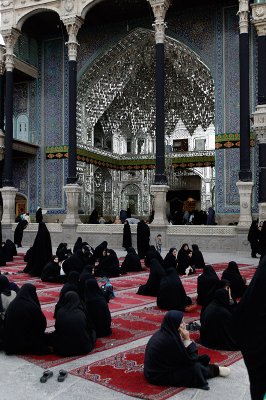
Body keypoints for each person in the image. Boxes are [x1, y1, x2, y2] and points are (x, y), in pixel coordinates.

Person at [144, 310, 230, 390]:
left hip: (157, 370)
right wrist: (187, 339)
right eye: (181, 322)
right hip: (157, 376)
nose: (184, 324)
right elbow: (191, 360)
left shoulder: (166, 333)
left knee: (202, 359)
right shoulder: (169, 340)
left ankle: (212, 369)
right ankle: (215, 370)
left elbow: (184, 357)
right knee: (195, 369)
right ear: (174, 324)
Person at [4, 284, 50, 355]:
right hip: (27, 342)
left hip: (11, 342)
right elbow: (42, 324)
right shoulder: (31, 306)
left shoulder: (12, 304)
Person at [50, 291, 96, 356]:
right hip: (83, 348)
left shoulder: (60, 312)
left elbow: (57, 328)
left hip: (63, 349)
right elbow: (88, 327)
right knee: (93, 333)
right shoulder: (81, 312)